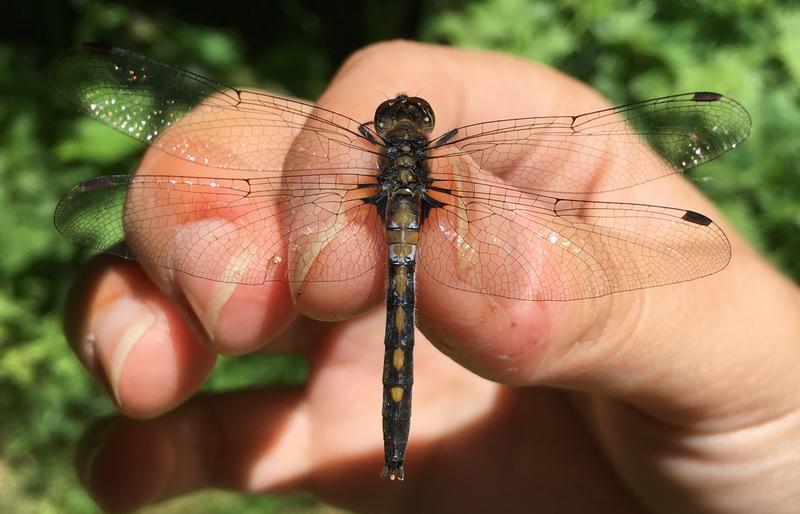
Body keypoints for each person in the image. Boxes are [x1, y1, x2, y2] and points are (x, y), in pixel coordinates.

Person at [63, 41, 800, 513]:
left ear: (385, 134)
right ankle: (398, 440)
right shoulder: (433, 158)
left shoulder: (384, 156)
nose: (402, 120)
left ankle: (394, 443)